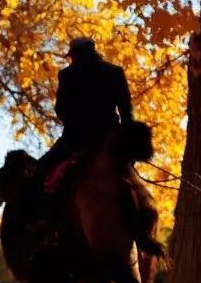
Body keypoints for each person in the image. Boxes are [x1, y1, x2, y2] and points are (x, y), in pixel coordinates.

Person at [38, 37, 133, 190]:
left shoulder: (67, 74)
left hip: (75, 138)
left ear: (75, 54)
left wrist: (74, 125)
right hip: (110, 135)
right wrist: (126, 141)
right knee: (129, 177)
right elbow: (126, 111)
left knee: (40, 170)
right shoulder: (114, 71)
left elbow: (60, 109)